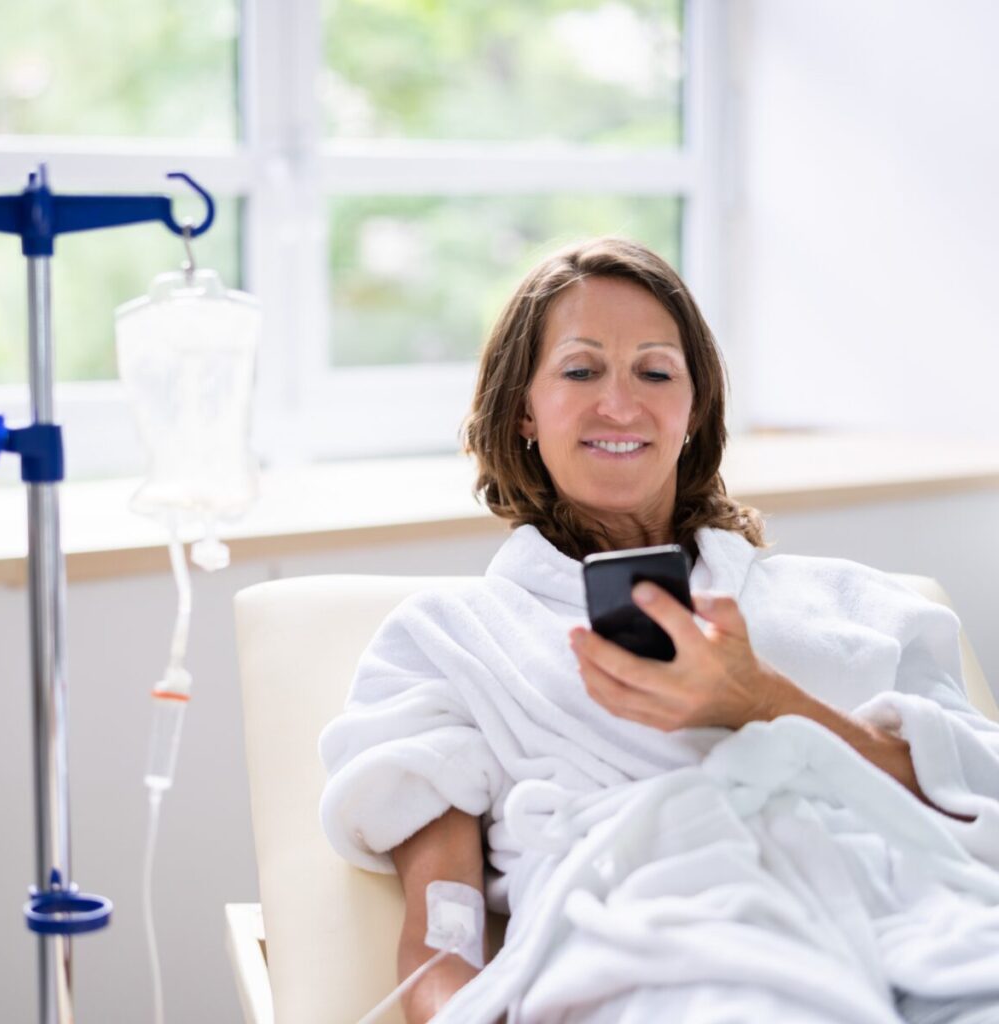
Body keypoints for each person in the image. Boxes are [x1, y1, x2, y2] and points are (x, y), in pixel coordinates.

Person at [320, 238, 999, 1024]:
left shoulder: (854, 603)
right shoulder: (457, 640)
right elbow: (444, 939)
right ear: (523, 413)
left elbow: (974, 792)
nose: (620, 404)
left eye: (655, 372)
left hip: (929, 929)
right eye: (580, 371)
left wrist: (764, 700)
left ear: (695, 408)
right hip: (674, 958)